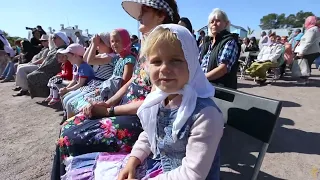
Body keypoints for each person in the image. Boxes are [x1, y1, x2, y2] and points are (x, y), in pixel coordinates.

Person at [51, 0, 180, 179]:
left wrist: (109, 111)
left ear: (161, 15)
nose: (139, 16)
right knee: (68, 126)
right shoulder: (148, 47)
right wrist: (108, 103)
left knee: (69, 138)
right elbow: (132, 82)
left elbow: (155, 101)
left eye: (144, 11)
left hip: (142, 118)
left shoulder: (168, 50)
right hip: (125, 108)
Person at [118, 24, 223, 180]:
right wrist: (133, 160)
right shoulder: (161, 98)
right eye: (157, 61)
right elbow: (150, 134)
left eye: (175, 60)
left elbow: (193, 174)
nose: (165, 68)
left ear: (192, 63)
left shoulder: (205, 114)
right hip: (163, 169)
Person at [62, 29, 136, 119]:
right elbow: (87, 60)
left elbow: (124, 84)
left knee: (82, 107)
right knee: (74, 103)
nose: (114, 44)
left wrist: (108, 102)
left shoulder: (128, 59)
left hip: (113, 95)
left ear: (125, 41)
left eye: (117, 41)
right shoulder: (118, 58)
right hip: (106, 90)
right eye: (112, 41)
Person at [199, 8, 240, 90]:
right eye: (211, 22)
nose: (214, 24)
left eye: (218, 21)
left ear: (226, 23)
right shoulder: (207, 42)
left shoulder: (229, 42)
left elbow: (223, 69)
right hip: (204, 86)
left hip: (219, 90)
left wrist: (200, 79)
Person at [19, 32, 70, 97]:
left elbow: (59, 63)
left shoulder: (64, 49)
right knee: (29, 73)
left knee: (32, 76)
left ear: (61, 39)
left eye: (55, 38)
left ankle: (46, 94)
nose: (53, 40)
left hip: (53, 71)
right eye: (52, 38)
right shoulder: (54, 49)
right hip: (46, 69)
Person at [294, 16, 320, 84]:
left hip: (309, 51)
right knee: (307, 65)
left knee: (304, 65)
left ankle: (303, 80)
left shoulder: (312, 30)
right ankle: (305, 79)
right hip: (313, 50)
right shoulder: (316, 29)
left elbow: (308, 41)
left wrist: (302, 52)